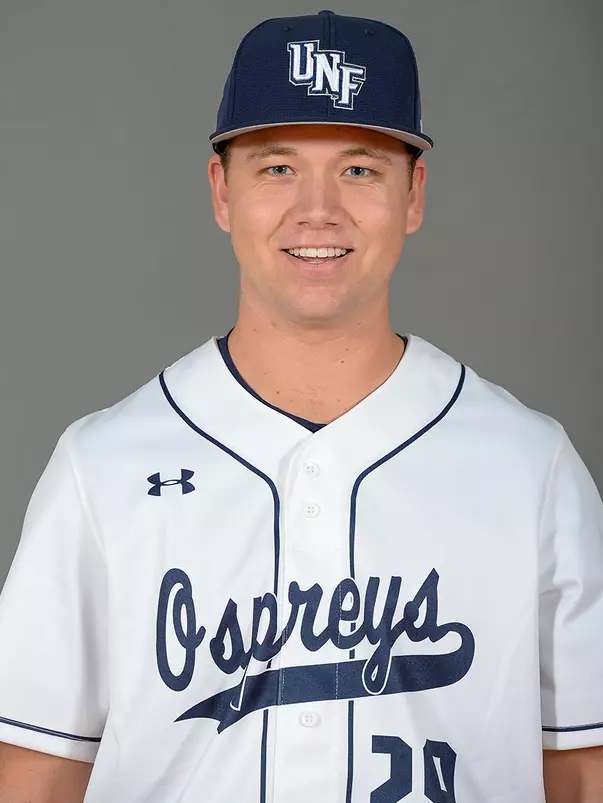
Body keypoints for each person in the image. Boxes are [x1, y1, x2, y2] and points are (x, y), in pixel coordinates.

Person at [0, 9, 602, 803]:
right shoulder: (102, 466)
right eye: (276, 168)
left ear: (413, 195)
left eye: (359, 170)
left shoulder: (530, 465)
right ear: (221, 192)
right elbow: (35, 770)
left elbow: (581, 766)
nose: (317, 210)